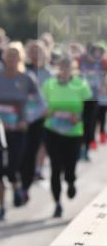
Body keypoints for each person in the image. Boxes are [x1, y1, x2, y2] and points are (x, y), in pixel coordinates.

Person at [0, 42, 43, 220]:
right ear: (4, 57)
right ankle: (1, 207)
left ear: (20, 58)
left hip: (18, 130)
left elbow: (41, 104)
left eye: (15, 55)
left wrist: (27, 119)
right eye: (9, 55)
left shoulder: (27, 78)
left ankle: (16, 186)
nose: (11, 58)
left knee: (13, 165)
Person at [42, 54, 93, 217]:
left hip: (73, 133)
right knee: (55, 167)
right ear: (58, 68)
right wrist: (48, 113)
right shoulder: (49, 84)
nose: (64, 70)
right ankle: (57, 203)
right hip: (53, 131)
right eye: (62, 67)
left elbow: (90, 109)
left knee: (70, 166)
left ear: (73, 69)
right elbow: (41, 105)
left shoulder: (81, 85)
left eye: (68, 67)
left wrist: (79, 117)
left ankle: (71, 181)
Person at [24, 40, 52, 185]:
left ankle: (38, 169)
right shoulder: (24, 69)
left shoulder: (48, 72)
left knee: (42, 142)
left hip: (43, 112)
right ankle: (25, 168)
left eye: (38, 51)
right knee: (27, 143)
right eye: (33, 51)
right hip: (26, 112)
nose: (35, 54)